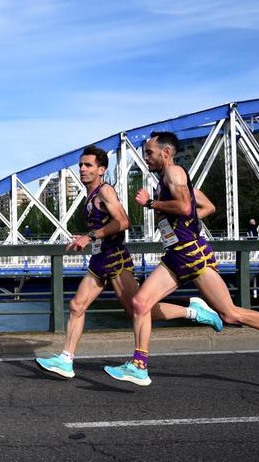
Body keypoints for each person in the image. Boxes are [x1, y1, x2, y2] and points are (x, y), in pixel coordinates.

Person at [104, 131, 259, 386]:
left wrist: (151, 204)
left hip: (192, 255)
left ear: (166, 152)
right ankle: (140, 364)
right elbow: (205, 207)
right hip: (177, 254)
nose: (145, 157)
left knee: (230, 314)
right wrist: (186, 222)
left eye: (149, 152)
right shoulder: (170, 180)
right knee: (139, 303)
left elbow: (183, 207)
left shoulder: (174, 173)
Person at [35, 145, 221, 379]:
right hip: (100, 259)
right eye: (81, 165)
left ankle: (193, 312)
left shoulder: (105, 191)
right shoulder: (91, 195)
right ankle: (66, 360)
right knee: (76, 306)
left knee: (139, 310)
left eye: (88, 165)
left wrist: (90, 236)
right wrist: (87, 235)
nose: (82, 169)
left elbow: (123, 222)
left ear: (101, 170)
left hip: (115, 260)